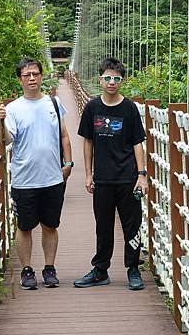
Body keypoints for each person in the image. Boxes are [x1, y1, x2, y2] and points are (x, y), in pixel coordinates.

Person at [0, 57, 73, 290]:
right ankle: (27, 270)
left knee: (50, 225)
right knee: (25, 226)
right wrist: (0, 122)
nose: (32, 78)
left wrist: (68, 163)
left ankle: (49, 268)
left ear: (41, 76)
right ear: (19, 79)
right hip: (24, 179)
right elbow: (7, 140)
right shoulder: (13, 109)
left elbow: (64, 136)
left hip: (52, 177)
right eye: (27, 75)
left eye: (35, 74)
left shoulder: (54, 103)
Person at [73, 57, 148, 290]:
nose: (112, 82)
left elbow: (138, 143)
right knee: (103, 226)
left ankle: (133, 269)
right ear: (100, 79)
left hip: (128, 177)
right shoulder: (92, 107)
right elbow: (87, 142)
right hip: (103, 178)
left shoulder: (130, 108)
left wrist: (142, 175)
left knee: (132, 225)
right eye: (107, 78)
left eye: (116, 78)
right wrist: (88, 174)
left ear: (122, 81)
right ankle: (101, 270)